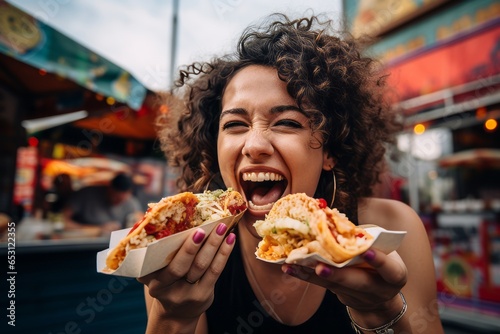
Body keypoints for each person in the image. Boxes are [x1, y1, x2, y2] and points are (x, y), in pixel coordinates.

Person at [140, 13, 444, 333]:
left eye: (287, 122)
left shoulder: (391, 230)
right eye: (234, 124)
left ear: (330, 151)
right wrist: (173, 316)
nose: (254, 145)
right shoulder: (178, 246)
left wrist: (381, 312)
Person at [63, 173, 142, 234]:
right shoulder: (86, 194)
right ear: (109, 188)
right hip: (82, 245)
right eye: (115, 197)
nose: (116, 201)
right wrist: (97, 229)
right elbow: (62, 221)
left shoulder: (131, 202)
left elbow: (140, 224)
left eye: (121, 200)